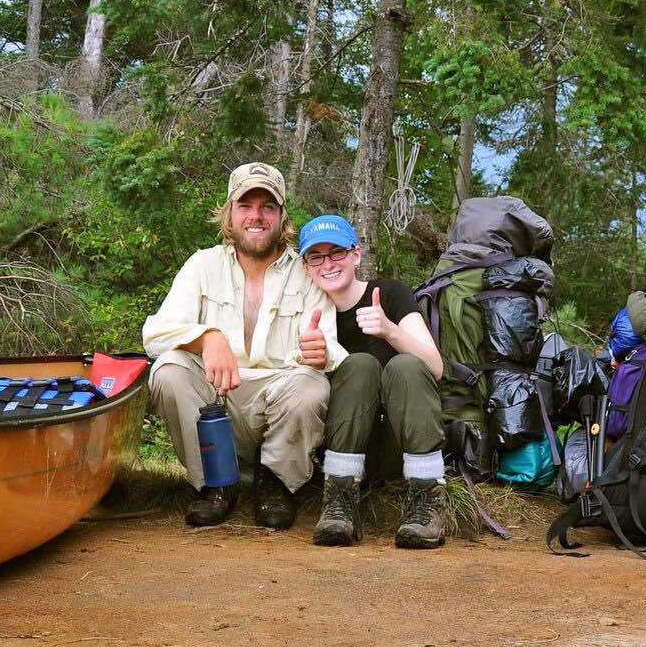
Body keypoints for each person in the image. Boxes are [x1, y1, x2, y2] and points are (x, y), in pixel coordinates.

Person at [142, 163, 347, 530]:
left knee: (311, 384)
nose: (256, 216)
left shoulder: (304, 271)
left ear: (282, 216)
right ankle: (215, 484)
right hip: (217, 401)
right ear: (229, 213)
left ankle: (277, 483)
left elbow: (330, 346)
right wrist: (208, 337)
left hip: (279, 400)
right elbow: (155, 334)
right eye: (245, 205)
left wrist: (322, 352)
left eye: (267, 206)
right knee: (169, 370)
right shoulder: (202, 265)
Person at [297, 214, 448, 549]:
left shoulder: (390, 294)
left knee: (406, 365)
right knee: (359, 365)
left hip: (402, 444)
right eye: (316, 257)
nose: (328, 264)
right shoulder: (306, 312)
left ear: (356, 255)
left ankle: (427, 499)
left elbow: (435, 367)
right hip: (339, 447)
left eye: (336, 252)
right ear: (306, 267)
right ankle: (339, 500)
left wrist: (390, 330)